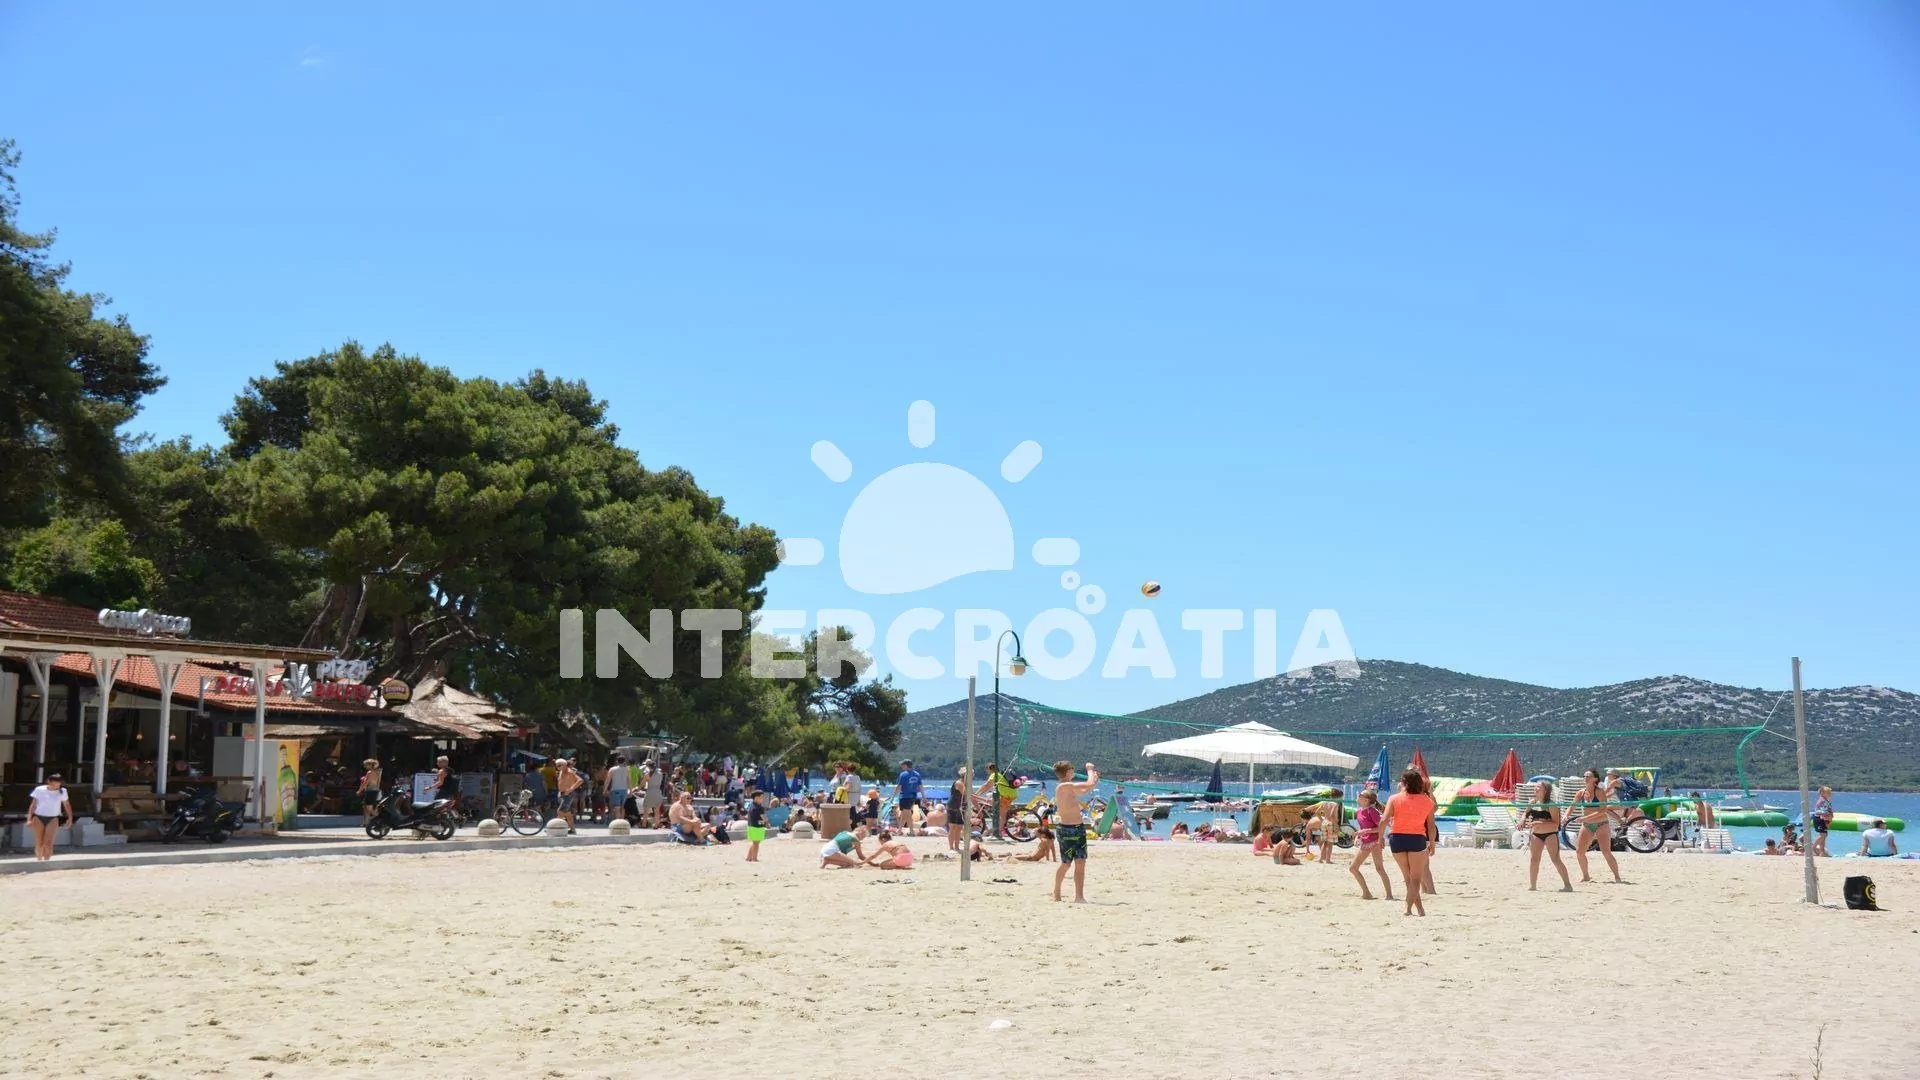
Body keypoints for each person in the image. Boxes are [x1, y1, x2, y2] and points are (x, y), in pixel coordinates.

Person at [1379, 768, 1437, 916]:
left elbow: (1384, 820)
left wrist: (1380, 838)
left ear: (1403, 783)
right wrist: (1432, 843)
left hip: (1397, 838)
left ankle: (1420, 909)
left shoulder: (1394, 798)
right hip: (1416, 839)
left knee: (1408, 877)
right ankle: (1408, 908)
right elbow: (1431, 826)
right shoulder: (1428, 801)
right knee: (1415, 878)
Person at [1050, 760, 1098, 903]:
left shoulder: (1069, 787)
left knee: (1081, 862)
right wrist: (1090, 769)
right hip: (1066, 830)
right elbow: (1088, 784)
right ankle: (1056, 891)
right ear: (1068, 772)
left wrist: (1094, 779)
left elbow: (1085, 789)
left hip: (1078, 828)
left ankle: (1079, 896)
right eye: (1072, 769)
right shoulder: (1063, 786)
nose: (1074, 771)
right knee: (1066, 863)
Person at [1571, 769, 1624, 885]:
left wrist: (1584, 818)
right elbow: (1572, 806)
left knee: (1606, 852)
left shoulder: (1600, 791)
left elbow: (1602, 810)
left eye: (1588, 776)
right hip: (1587, 825)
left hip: (1601, 824)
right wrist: (1565, 816)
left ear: (1595, 779)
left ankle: (1617, 877)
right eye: (1584, 776)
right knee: (1579, 852)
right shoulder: (1581, 792)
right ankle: (1586, 876)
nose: (1586, 778)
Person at [1521, 779, 1574, 892]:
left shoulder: (1551, 805)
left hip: (1550, 834)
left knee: (1555, 859)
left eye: (1538, 787)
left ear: (1545, 791)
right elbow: (1525, 813)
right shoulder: (1532, 802)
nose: (1535, 788)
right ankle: (1533, 886)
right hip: (1536, 834)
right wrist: (1522, 821)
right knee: (1534, 860)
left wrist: (1539, 823)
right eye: (1535, 786)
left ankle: (1568, 885)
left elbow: (1556, 824)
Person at [1348, 789, 1396, 900]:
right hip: (1365, 842)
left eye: (1360, 795)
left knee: (1378, 869)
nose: (1357, 796)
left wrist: (1366, 832)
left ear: (1366, 800)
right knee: (1354, 868)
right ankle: (1367, 893)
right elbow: (1362, 827)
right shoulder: (1359, 811)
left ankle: (1388, 895)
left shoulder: (1372, 811)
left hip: (1374, 842)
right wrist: (1358, 836)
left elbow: (1381, 827)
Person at [26, 773, 74, 861]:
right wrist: (29, 819)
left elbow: (66, 805)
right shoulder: (39, 789)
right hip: (38, 817)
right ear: (49, 782)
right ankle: (39, 860)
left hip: (53, 818)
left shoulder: (63, 791)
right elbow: (33, 805)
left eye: (58, 785)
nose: (55, 787)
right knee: (39, 842)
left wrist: (70, 818)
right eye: (53, 785)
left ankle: (47, 861)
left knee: (48, 842)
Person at [555, 758, 584, 834]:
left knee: (560, 811)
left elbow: (580, 780)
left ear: (564, 765)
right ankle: (573, 830)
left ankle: (553, 827)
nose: (558, 767)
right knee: (567, 814)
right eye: (557, 766)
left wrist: (571, 789)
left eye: (560, 765)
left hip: (568, 794)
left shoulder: (570, 772)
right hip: (562, 794)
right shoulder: (561, 771)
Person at [895, 759, 923, 829]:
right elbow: (920, 787)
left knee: (907, 814)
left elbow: (899, 786)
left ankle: (911, 831)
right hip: (913, 796)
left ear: (905, 765)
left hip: (905, 796)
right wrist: (924, 797)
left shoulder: (903, 774)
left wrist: (893, 796)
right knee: (904, 814)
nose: (901, 766)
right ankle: (899, 830)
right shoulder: (917, 774)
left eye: (902, 765)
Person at [744, 791, 770, 862]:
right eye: (761, 797)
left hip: (751, 826)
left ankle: (749, 857)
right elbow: (763, 817)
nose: (762, 799)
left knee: (754, 843)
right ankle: (754, 858)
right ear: (756, 798)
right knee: (756, 843)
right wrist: (767, 823)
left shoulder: (751, 805)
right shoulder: (759, 807)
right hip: (757, 827)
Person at [356, 758, 383, 825]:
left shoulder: (370, 772)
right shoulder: (377, 772)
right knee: (365, 807)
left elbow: (365, 783)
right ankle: (366, 822)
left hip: (371, 791)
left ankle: (382, 820)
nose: (364, 766)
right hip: (373, 790)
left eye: (366, 765)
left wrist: (359, 791)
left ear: (370, 765)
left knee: (369, 809)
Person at [947, 768, 969, 852]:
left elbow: (971, 795)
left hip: (960, 807)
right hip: (953, 806)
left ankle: (957, 847)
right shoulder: (959, 783)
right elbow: (968, 794)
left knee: (959, 827)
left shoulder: (966, 784)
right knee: (953, 827)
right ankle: (951, 847)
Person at [1810, 786, 1834, 857]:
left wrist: (1829, 819)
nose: (1830, 794)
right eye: (1828, 792)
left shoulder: (1826, 801)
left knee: (1824, 835)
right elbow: (1820, 811)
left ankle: (1822, 852)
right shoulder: (1822, 801)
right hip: (1819, 818)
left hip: (1823, 819)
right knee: (1823, 835)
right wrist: (1829, 816)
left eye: (1830, 792)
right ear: (1822, 793)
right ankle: (1813, 848)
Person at [605, 754, 630, 822]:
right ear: (624, 761)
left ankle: (617, 822)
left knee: (617, 807)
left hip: (615, 790)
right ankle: (622, 821)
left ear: (617, 761)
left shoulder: (612, 769)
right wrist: (630, 790)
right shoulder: (627, 769)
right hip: (624, 790)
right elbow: (629, 780)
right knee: (623, 807)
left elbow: (608, 780)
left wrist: (605, 790)